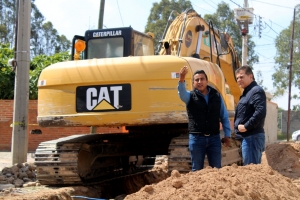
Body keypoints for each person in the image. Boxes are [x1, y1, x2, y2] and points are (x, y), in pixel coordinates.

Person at [178, 66, 231, 171]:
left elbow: (224, 116)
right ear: (193, 83)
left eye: (202, 79)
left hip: (214, 139)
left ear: (207, 81)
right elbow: (182, 94)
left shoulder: (216, 96)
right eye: (196, 80)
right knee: (197, 170)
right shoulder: (190, 96)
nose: (199, 81)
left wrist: (227, 135)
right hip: (197, 139)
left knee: (216, 170)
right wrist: (181, 79)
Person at [234, 66, 266, 165]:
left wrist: (246, 126)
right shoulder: (247, 93)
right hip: (249, 138)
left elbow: (260, 111)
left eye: (241, 77)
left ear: (251, 76)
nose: (239, 80)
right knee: (251, 172)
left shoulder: (256, 91)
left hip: (252, 137)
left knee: (252, 172)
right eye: (237, 78)